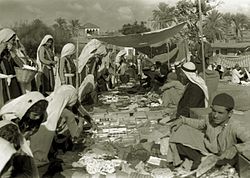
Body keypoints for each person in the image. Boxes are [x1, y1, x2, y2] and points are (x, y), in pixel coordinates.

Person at [168, 93, 250, 171]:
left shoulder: (236, 125)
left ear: (230, 113)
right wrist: (183, 120)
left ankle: (202, 162)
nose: (215, 116)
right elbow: (200, 124)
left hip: (224, 156)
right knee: (179, 129)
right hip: (208, 149)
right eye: (214, 111)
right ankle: (201, 160)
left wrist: (236, 148)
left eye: (220, 113)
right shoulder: (210, 117)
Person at [30, 84, 96, 167]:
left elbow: (78, 107)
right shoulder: (62, 106)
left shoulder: (54, 99)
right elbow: (75, 135)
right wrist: (81, 123)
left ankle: (40, 156)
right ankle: (40, 158)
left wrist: (89, 120)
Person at [0, 92, 49, 177]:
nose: (37, 117)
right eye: (35, 115)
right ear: (26, 110)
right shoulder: (11, 118)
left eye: (39, 115)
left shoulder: (37, 118)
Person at [0, 28, 23, 107]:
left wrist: (13, 53)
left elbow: (21, 65)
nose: (14, 42)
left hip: (13, 82)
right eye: (12, 40)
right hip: (2, 83)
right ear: (6, 40)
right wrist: (1, 48)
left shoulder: (10, 53)